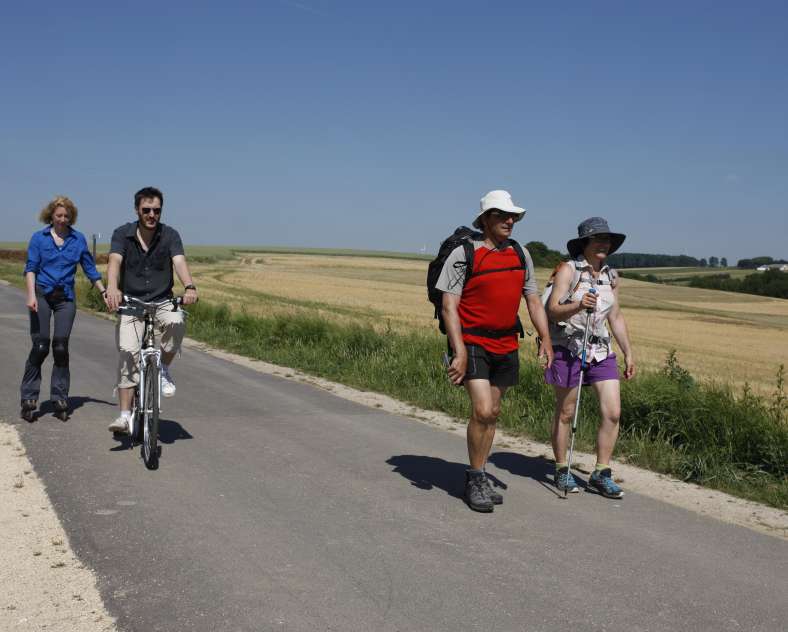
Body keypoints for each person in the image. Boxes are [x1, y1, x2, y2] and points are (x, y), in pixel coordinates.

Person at [436, 190, 554, 512]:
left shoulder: (520, 254)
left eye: (513, 216)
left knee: (494, 412)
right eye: (502, 215)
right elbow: (449, 305)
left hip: (506, 342)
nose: (510, 221)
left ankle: (481, 473)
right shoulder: (465, 253)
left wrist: (545, 338)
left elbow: (532, 299)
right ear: (486, 219)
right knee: (483, 411)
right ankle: (475, 477)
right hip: (473, 341)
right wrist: (458, 350)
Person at [544, 217, 636, 498]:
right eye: (598, 239)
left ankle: (601, 472)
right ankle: (562, 469)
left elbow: (615, 317)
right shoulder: (568, 271)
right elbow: (552, 310)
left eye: (607, 241)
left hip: (601, 350)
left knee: (613, 412)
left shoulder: (611, 276)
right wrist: (577, 305)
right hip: (569, 347)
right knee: (566, 412)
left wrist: (628, 352)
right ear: (585, 243)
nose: (604, 244)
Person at [104, 186, 198, 434]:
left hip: (162, 301)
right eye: (146, 210)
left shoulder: (170, 235)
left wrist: (189, 286)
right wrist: (112, 288)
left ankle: (163, 368)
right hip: (132, 303)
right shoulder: (122, 234)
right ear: (137, 210)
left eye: (156, 210)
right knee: (128, 353)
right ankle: (125, 416)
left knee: (177, 321)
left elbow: (179, 261)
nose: (151, 215)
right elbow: (114, 261)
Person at [20, 196, 107, 421]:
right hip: (41, 295)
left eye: (67, 216)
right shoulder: (39, 238)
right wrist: (30, 295)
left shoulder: (77, 240)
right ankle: (29, 397)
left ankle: (60, 396)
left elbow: (90, 269)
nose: (62, 220)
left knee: (60, 347)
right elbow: (30, 269)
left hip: (65, 298)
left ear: (71, 218)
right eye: (59, 216)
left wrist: (104, 291)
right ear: (51, 216)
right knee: (40, 346)